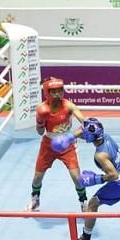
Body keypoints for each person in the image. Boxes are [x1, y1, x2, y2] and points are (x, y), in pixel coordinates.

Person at [27, 77, 88, 212]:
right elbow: (40, 132)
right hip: (48, 144)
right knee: (37, 177)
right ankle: (35, 199)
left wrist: (83, 129)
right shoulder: (42, 109)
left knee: (77, 177)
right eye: (53, 92)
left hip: (67, 144)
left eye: (60, 91)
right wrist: (40, 120)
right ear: (47, 93)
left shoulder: (68, 105)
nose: (57, 94)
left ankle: (83, 202)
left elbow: (84, 121)